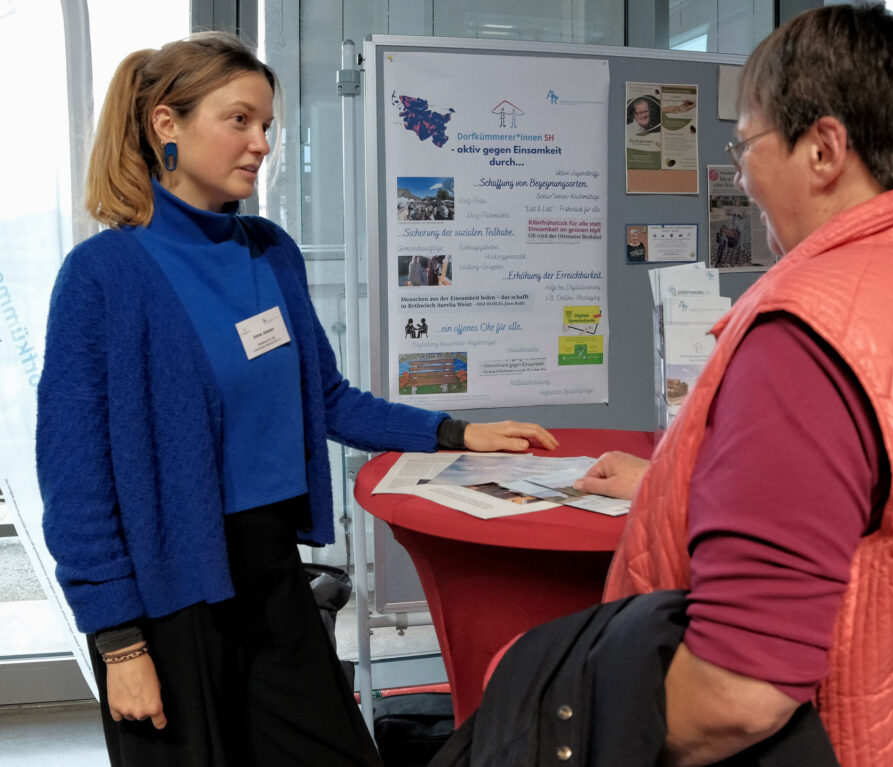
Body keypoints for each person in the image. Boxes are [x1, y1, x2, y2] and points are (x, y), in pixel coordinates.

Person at [35, 32, 557, 767]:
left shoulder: (270, 251)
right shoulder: (102, 275)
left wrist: (452, 433)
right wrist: (119, 641)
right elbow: (75, 479)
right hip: (168, 596)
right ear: (166, 125)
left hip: (272, 571)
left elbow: (329, 398)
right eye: (240, 120)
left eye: (267, 126)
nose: (261, 143)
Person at [573, 5, 893, 765]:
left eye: (747, 142)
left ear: (823, 150)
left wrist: (583, 731)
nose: (742, 170)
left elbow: (735, 695)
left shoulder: (808, 337)